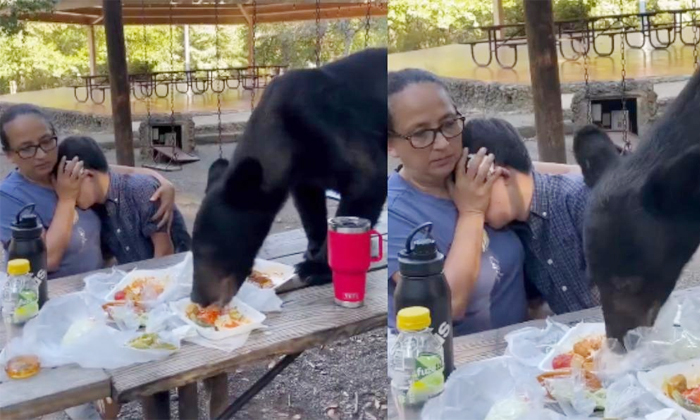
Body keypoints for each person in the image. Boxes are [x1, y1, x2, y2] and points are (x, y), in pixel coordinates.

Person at [387, 68, 529, 337]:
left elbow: (531, 172)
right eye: (420, 134)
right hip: (450, 365)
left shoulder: (468, 171)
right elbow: (448, 305)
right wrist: (472, 212)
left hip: (520, 354)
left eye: (449, 124)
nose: (442, 143)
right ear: (390, 145)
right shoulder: (395, 212)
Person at [0, 104, 176, 279]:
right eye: (26, 148)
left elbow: (109, 173)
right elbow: (47, 260)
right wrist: (67, 200)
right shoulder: (9, 198)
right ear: (9, 155)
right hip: (51, 295)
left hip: (98, 286)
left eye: (46, 141)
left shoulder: (66, 167)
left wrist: (162, 182)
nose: (41, 155)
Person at [462, 117, 599, 315]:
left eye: (474, 191)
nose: (471, 203)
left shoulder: (581, 201)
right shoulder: (514, 233)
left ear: (501, 176)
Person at [55, 135, 191, 264]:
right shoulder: (95, 208)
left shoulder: (141, 191)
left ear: (88, 176)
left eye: (72, 187)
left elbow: (164, 253)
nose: (70, 195)